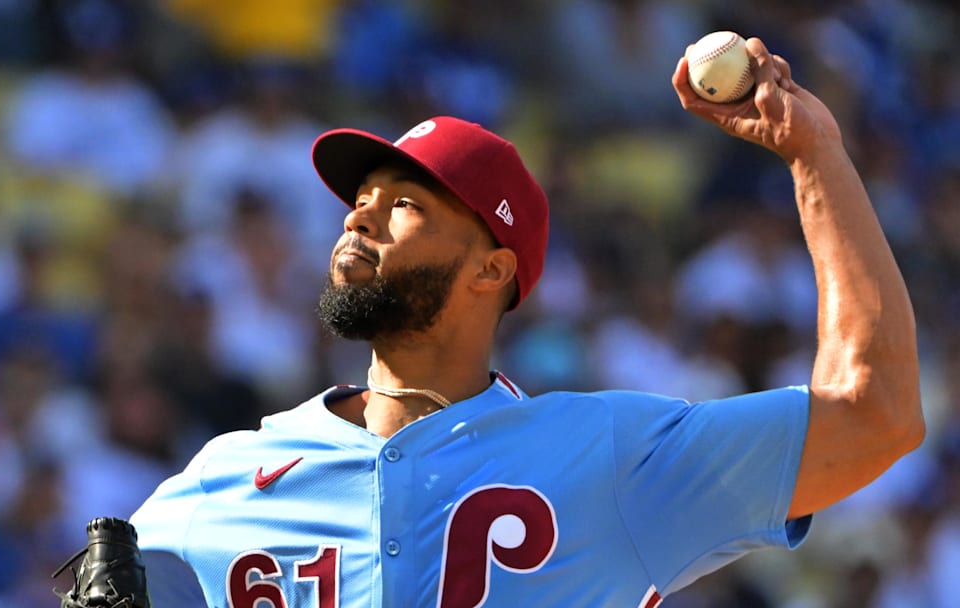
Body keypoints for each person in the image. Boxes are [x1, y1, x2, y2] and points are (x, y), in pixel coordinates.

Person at [127, 38, 923, 607]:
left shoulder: (609, 458)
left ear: (491, 269)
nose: (359, 220)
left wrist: (815, 158)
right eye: (359, 201)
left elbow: (875, 413)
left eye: (404, 205)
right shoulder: (223, 478)